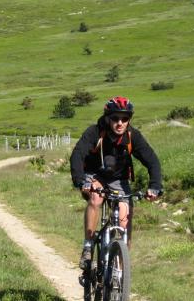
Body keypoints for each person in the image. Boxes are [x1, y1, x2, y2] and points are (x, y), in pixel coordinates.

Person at [70, 96, 163, 270]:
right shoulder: (94, 132)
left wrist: (155, 186)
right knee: (96, 199)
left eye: (125, 119)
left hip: (119, 180)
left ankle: (120, 265)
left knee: (124, 218)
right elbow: (77, 154)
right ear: (107, 118)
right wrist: (80, 180)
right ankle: (88, 247)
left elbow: (152, 161)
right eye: (115, 118)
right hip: (94, 175)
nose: (120, 123)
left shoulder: (132, 136)